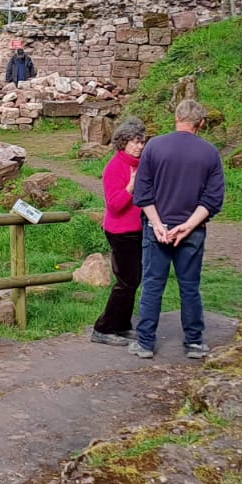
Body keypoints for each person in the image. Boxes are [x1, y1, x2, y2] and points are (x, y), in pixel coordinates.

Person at [130, 99, 225, 360]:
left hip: (157, 229)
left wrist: (157, 224)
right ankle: (194, 342)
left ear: (176, 118)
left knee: (152, 285)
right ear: (201, 124)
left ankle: (145, 343)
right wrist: (188, 226)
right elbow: (213, 199)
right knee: (190, 286)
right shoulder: (210, 153)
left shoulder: (154, 146)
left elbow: (142, 192)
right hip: (192, 231)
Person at [90, 117, 148, 346]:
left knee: (133, 280)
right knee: (126, 282)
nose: (140, 146)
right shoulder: (115, 167)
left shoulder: (140, 164)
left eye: (142, 142)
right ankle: (103, 328)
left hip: (138, 229)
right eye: (136, 142)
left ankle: (122, 324)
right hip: (121, 232)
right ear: (124, 142)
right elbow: (114, 205)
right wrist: (131, 186)